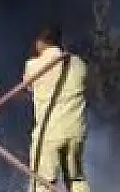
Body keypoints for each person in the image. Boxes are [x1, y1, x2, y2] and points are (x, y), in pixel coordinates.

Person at [23, 24, 90, 192]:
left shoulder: (33, 66)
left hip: (49, 132)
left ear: (40, 42)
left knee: (43, 182)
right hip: (75, 131)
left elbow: (28, 86)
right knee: (76, 179)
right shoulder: (79, 64)